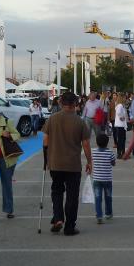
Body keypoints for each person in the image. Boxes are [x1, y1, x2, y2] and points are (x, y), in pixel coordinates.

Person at [43, 91, 92, 236]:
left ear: (61, 103)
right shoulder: (80, 122)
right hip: (73, 164)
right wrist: (90, 161)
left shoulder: (52, 119)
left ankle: (58, 217)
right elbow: (86, 144)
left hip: (55, 162)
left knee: (57, 191)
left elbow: (45, 140)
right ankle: (70, 226)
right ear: (75, 104)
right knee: (72, 195)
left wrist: (46, 159)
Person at [91, 133, 116, 224]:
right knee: (108, 197)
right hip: (107, 179)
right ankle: (108, 213)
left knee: (98, 198)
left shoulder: (93, 152)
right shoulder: (110, 152)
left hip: (97, 179)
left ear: (97, 143)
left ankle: (99, 215)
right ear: (107, 143)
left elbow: (91, 161)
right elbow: (113, 163)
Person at [114, 93, 128, 158]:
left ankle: (122, 152)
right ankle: (120, 153)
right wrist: (122, 117)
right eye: (125, 97)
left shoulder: (121, 105)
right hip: (120, 125)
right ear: (122, 98)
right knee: (121, 140)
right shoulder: (120, 105)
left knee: (122, 139)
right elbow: (119, 112)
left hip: (121, 125)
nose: (126, 99)